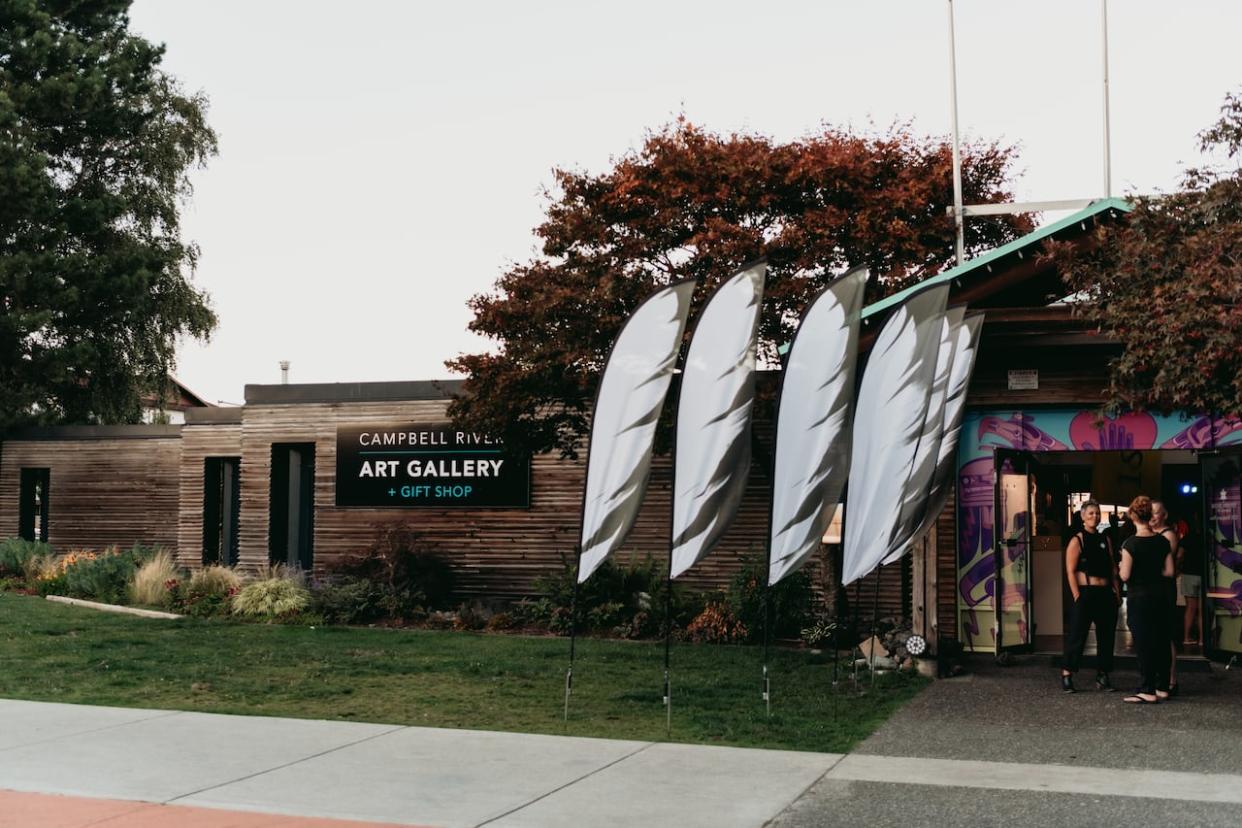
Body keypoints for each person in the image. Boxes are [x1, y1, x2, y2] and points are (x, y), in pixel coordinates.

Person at [1119, 495, 1175, 704]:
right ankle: (1162, 687)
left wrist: (1121, 568)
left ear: (1133, 516)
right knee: (1161, 640)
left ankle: (1147, 689)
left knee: (1144, 643)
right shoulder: (1162, 541)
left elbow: (1125, 575)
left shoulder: (1130, 544)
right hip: (1160, 595)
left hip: (1139, 597)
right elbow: (1169, 571)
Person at [1060, 500, 1120, 692]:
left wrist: (1116, 591)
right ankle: (1067, 672)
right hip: (1086, 592)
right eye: (1091, 513)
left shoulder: (1105, 539)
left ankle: (1103, 674)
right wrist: (1077, 595)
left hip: (1105, 593)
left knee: (1106, 635)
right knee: (1077, 634)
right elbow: (1070, 570)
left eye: (1097, 513)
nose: (1094, 516)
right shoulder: (1078, 540)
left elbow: (1112, 567)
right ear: (1083, 516)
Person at [1151, 500, 1182, 695]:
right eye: (1150, 512)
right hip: (1154, 589)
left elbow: (1163, 565)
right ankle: (1160, 677)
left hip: (1164, 590)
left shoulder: (1168, 535)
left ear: (1165, 515)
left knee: (1166, 635)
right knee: (1155, 635)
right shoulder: (1152, 534)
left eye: (1156, 513)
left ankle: (1171, 680)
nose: (1152, 516)